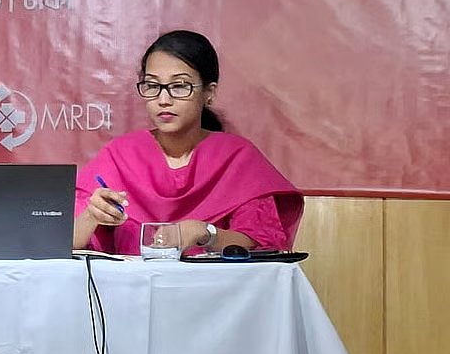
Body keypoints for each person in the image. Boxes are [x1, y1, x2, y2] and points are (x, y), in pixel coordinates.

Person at [74, 29, 303, 255]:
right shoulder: (119, 155)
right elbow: (65, 240)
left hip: (218, 289)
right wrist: (92, 216)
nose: (164, 100)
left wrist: (203, 233)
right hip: (130, 289)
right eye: (153, 86)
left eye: (180, 86)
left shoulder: (237, 157)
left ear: (208, 93)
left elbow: (261, 241)